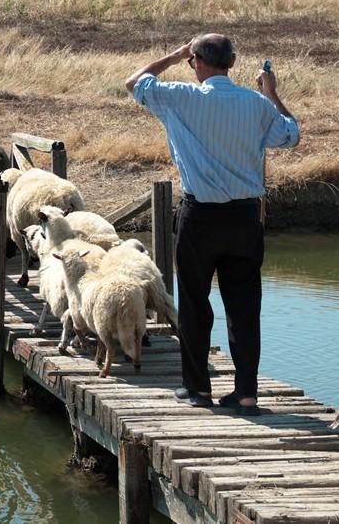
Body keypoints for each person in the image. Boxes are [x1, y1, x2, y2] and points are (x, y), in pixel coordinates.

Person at [124, 34, 298, 416]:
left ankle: (198, 389)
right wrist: (271, 92)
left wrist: (172, 56)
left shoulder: (179, 97)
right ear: (232, 63)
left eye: (191, 61)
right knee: (244, 306)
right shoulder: (256, 104)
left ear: (197, 63)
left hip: (199, 216)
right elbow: (290, 134)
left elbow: (133, 82)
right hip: (244, 218)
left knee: (194, 304)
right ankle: (247, 394)